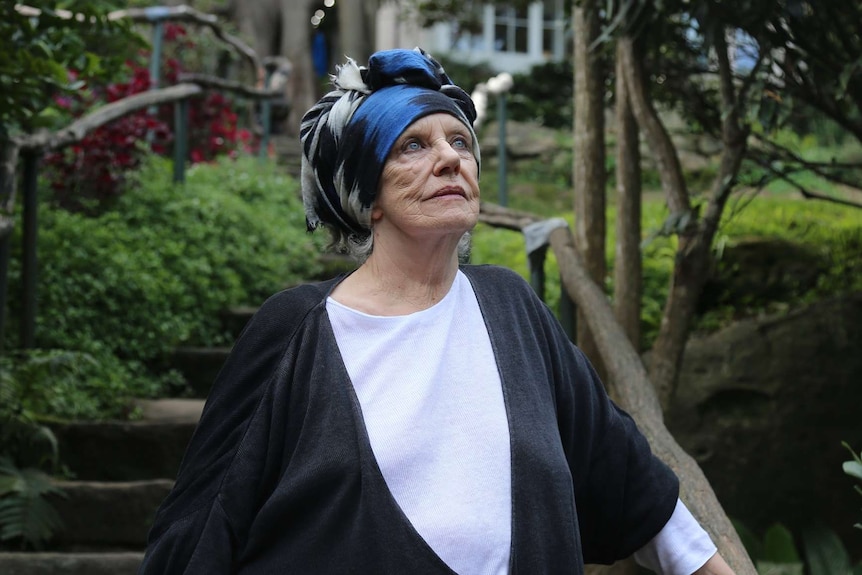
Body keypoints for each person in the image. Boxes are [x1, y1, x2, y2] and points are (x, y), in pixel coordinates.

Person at [140, 48, 735, 575]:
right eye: (413, 146)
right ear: (365, 194)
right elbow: (202, 526)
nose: (451, 160)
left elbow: (628, 480)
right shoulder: (295, 332)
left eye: (460, 144)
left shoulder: (513, 309)